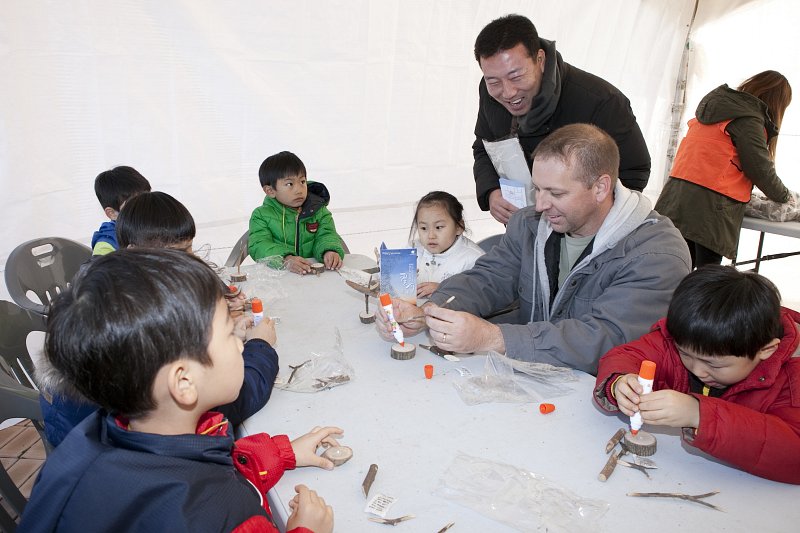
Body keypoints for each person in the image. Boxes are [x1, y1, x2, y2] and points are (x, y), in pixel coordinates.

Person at [20, 249, 338, 532]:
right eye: (230, 334)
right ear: (184, 382)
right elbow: (208, 496)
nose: (241, 345)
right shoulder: (229, 518)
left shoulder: (88, 441)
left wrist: (281, 453)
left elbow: (200, 471)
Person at [377, 124, 690, 375]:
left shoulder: (656, 255)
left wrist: (495, 339)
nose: (539, 204)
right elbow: (490, 276)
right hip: (536, 383)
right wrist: (431, 309)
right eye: (537, 189)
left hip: (601, 405)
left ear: (600, 187)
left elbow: (607, 339)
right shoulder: (531, 223)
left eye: (555, 193)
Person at [38, 191, 279, 447]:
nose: (190, 260)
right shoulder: (138, 320)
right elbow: (224, 405)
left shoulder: (122, 289)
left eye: (190, 248)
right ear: (134, 251)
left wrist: (218, 330)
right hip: (107, 451)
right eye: (179, 252)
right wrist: (260, 347)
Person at [593, 266, 800, 484]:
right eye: (685, 354)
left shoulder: (793, 378)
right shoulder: (685, 338)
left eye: (714, 365)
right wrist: (619, 382)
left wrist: (700, 415)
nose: (698, 370)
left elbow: (794, 455)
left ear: (765, 350)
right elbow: (628, 355)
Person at [472, 14, 650, 224]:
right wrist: (491, 191)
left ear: (540, 60)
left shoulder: (601, 102)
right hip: (523, 225)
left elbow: (634, 171)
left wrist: (584, 219)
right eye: (493, 81)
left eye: (516, 76)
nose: (508, 92)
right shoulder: (490, 94)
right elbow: (484, 147)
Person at [655, 71, 793, 268]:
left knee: (674, 270)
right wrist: (785, 197)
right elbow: (761, 170)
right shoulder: (748, 119)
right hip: (711, 209)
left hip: (675, 198)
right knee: (705, 279)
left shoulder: (715, 109)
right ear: (776, 101)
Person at [249, 151, 345, 274]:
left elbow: (327, 235)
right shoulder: (260, 215)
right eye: (289, 184)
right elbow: (259, 245)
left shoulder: (319, 211)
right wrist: (285, 259)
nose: (299, 190)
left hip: (315, 277)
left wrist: (329, 251)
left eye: (302, 181)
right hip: (279, 281)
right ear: (270, 191)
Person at [410, 191, 485, 298]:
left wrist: (444, 289)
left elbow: (483, 295)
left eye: (439, 227)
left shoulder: (474, 259)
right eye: (423, 228)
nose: (431, 235)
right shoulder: (414, 249)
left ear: (459, 227)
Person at [90, 165, 151, 255]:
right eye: (133, 204)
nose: (145, 207)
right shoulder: (106, 246)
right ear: (112, 213)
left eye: (147, 198)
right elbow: (100, 268)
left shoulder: (152, 227)